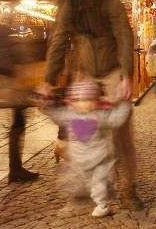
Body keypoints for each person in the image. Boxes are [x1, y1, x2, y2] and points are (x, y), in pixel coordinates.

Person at [38, 0, 143, 211]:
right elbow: (59, 40)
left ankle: (127, 186)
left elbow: (123, 34)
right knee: (82, 129)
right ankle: (90, 181)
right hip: (85, 73)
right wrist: (49, 80)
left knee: (121, 130)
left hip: (112, 69)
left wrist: (127, 75)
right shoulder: (69, 2)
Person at [39, 80, 131, 217]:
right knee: (87, 184)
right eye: (79, 100)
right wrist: (46, 106)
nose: (84, 104)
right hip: (80, 159)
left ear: (96, 101)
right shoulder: (69, 115)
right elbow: (56, 115)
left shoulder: (99, 116)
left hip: (100, 158)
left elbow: (115, 119)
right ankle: (104, 192)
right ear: (72, 102)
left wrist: (124, 103)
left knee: (98, 183)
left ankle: (103, 204)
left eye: (88, 100)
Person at [0, 24, 39, 182]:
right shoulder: (10, 44)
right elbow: (21, 63)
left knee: (18, 123)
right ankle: (15, 169)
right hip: (13, 87)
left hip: (6, 86)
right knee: (18, 124)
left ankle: (15, 167)